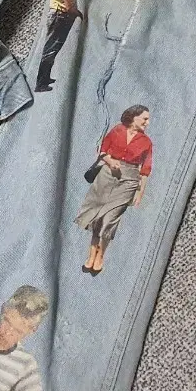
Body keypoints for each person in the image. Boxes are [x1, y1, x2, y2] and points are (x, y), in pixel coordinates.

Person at [75, 105, 152, 275]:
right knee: (97, 215)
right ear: (134, 117)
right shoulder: (117, 130)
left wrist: (140, 192)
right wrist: (110, 161)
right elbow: (102, 150)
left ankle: (101, 254)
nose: (147, 122)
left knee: (110, 218)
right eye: (144, 118)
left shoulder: (146, 142)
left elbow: (146, 169)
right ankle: (92, 253)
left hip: (129, 179)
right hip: (107, 175)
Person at [35, 0, 84, 92]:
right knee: (51, 50)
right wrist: (78, 13)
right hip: (60, 18)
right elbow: (68, 7)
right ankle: (41, 83)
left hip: (59, 17)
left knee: (52, 50)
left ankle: (45, 78)